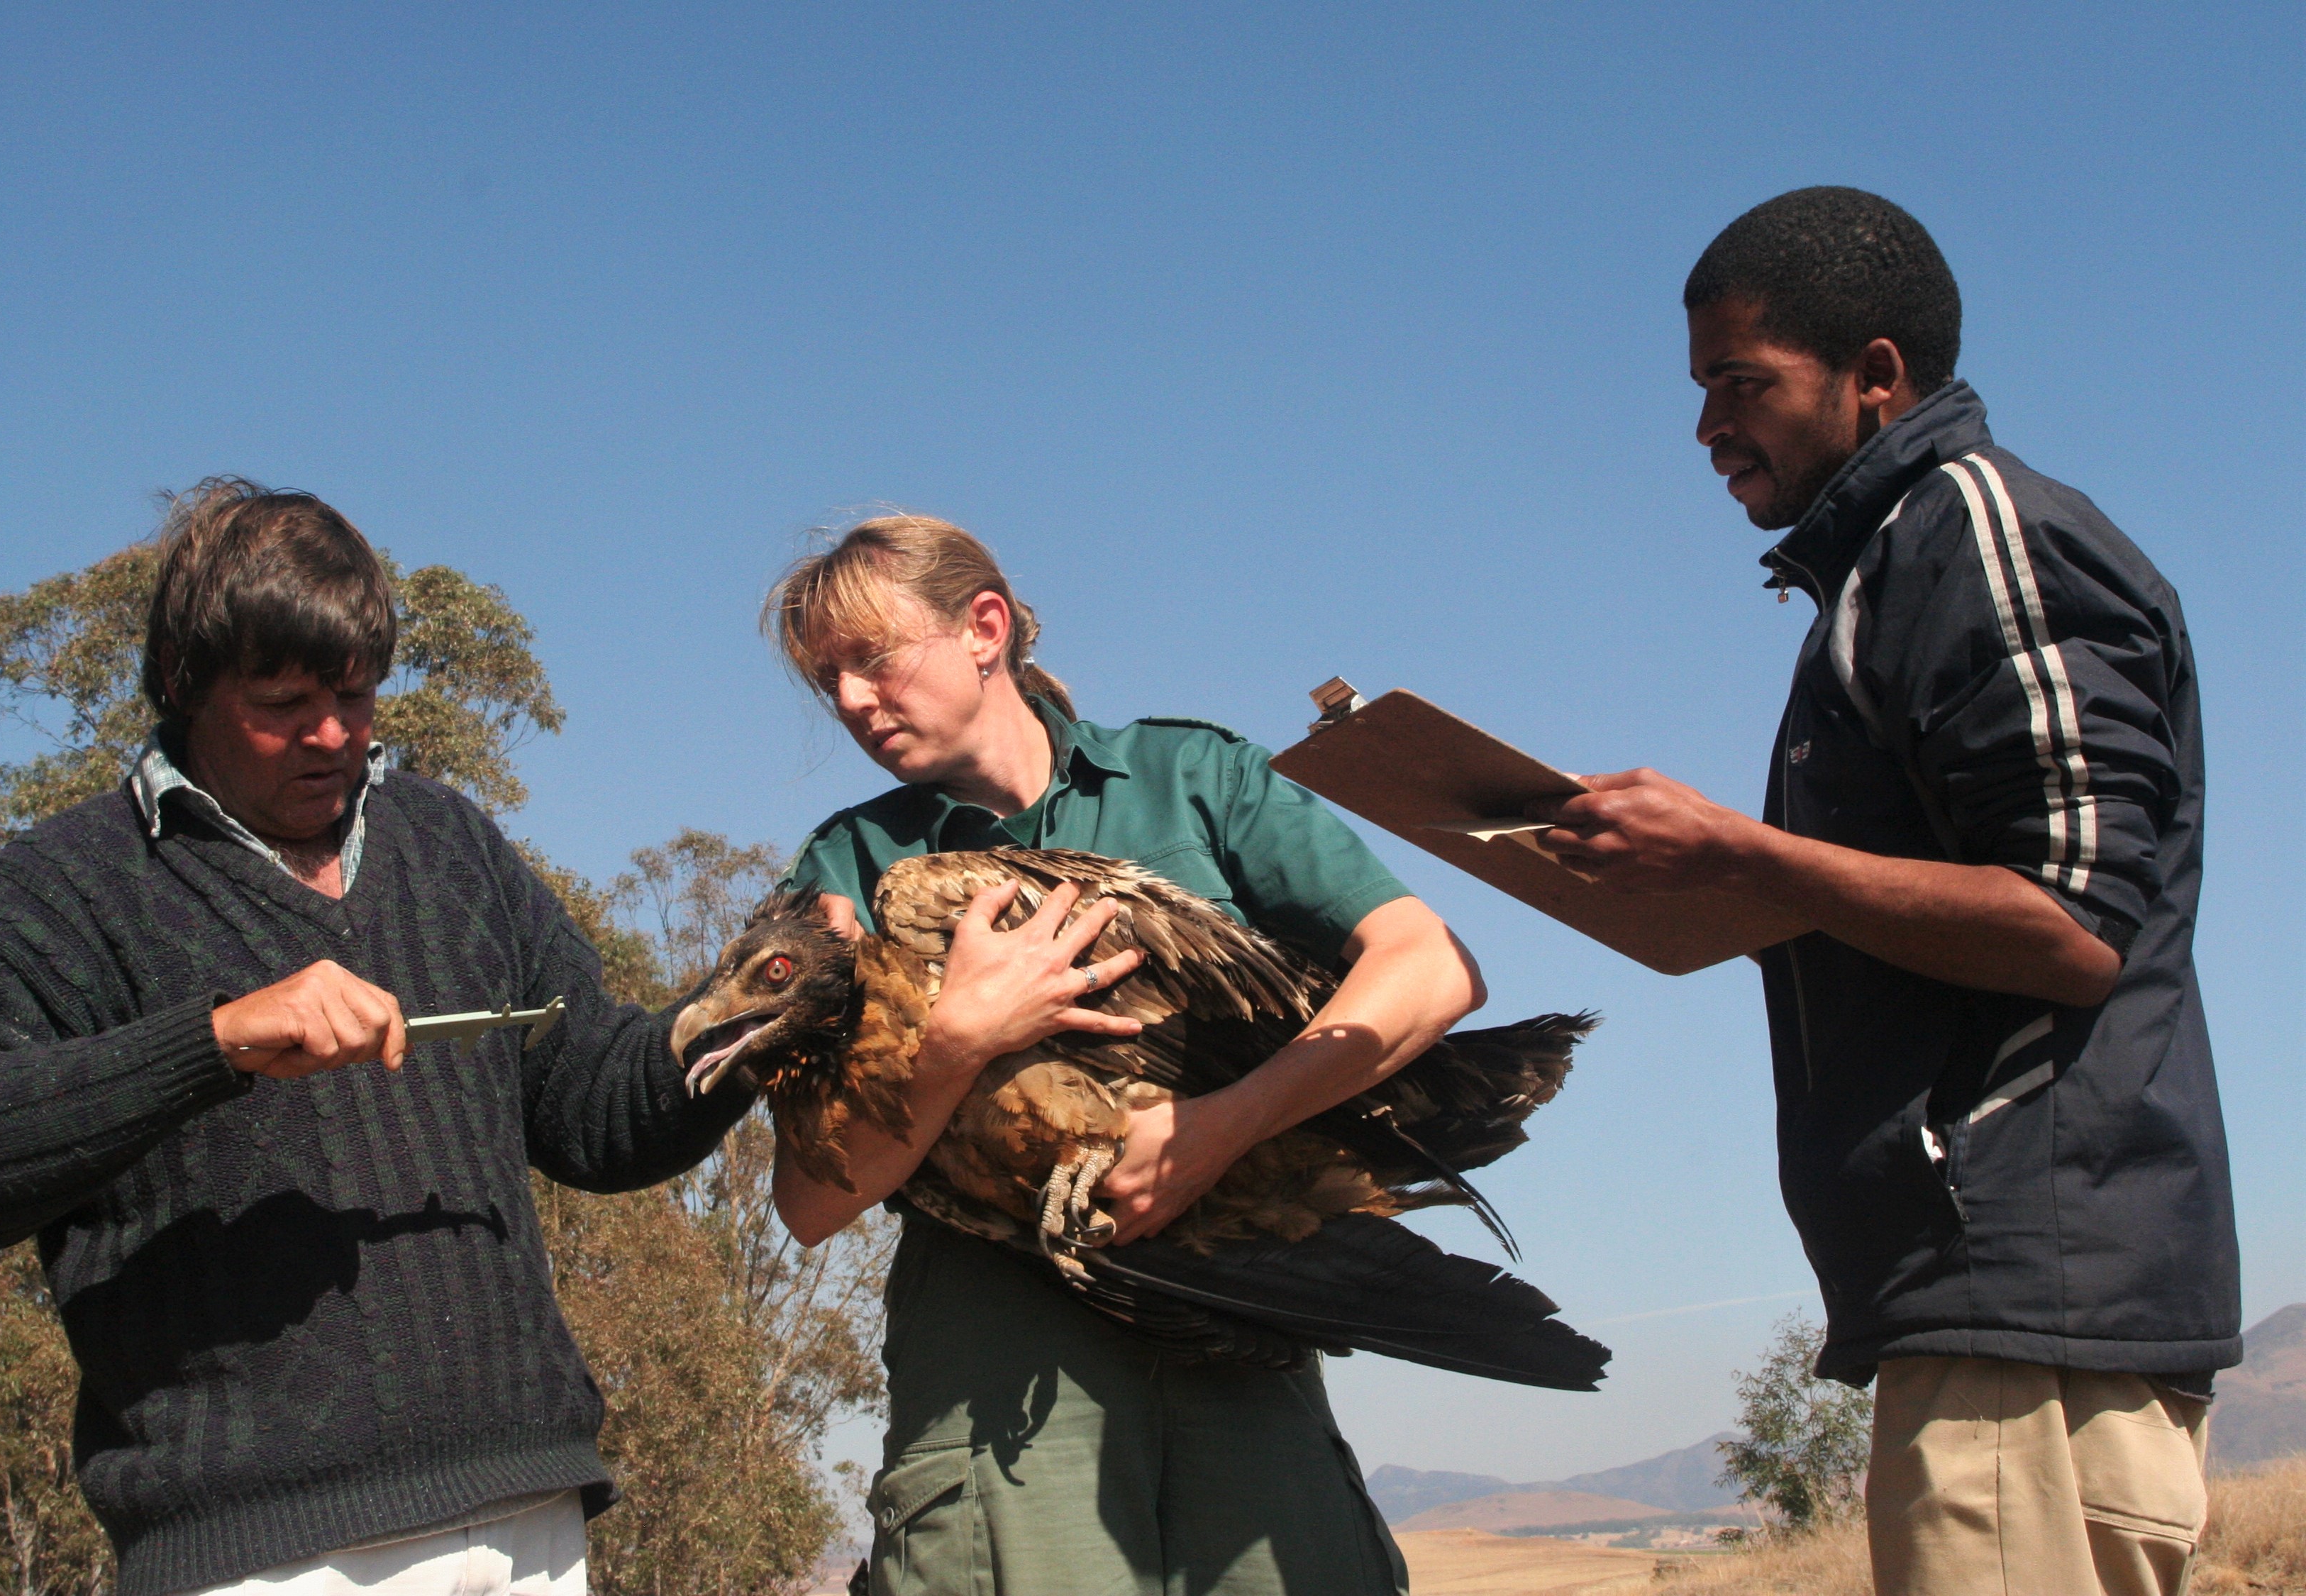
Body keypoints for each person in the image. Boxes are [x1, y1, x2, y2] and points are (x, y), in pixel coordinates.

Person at [0, 478, 755, 1595]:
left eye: (357, 692)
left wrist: (758, 1011)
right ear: (185, 684)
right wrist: (212, 1043)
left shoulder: (450, 845)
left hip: (533, 1521)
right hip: (266, 1559)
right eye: (284, 701)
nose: (333, 733)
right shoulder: (70, 885)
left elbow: (597, 1107)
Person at [1530, 188, 2237, 1596]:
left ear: (1876, 377)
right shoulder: (1886, 577)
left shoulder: (1973, 538)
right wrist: (1703, 898)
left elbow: (2075, 929)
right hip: (1984, 1315)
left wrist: (1742, 858)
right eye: (1702, 389)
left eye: (1743, 383)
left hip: (2032, 1318)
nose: (1708, 428)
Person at [763, 516, 1485, 1595]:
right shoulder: (853, 865)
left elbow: (1430, 967)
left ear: (984, 628)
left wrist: (1220, 1126)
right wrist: (957, 1043)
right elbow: (808, 1203)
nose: (855, 702)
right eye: (831, 681)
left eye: (875, 658)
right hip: (1002, 1411)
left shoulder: (1191, 779)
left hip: (1241, 1349)